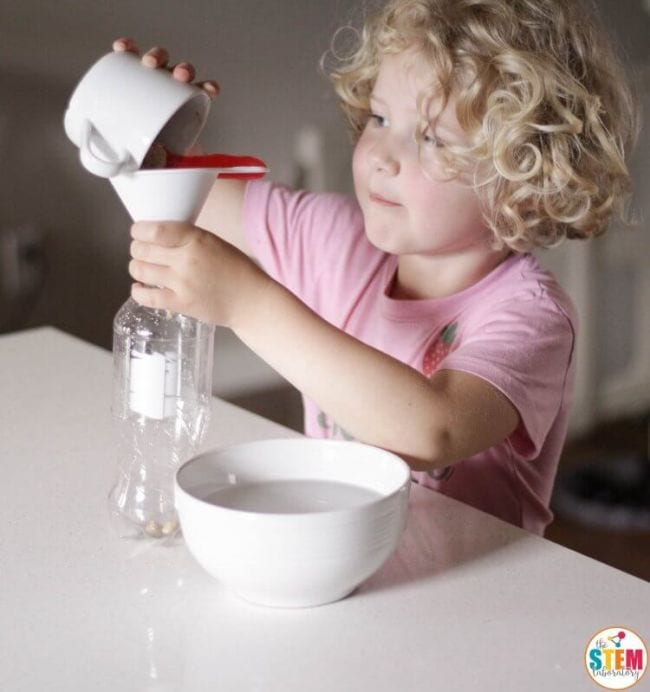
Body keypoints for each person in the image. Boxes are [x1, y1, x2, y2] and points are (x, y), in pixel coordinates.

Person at [115, 0, 638, 535]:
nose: (383, 155)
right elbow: (183, 194)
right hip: (345, 566)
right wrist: (150, 131)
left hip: (472, 603)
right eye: (380, 118)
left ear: (525, 186)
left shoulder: (533, 318)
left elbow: (433, 431)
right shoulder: (331, 237)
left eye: (432, 137)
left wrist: (247, 304)